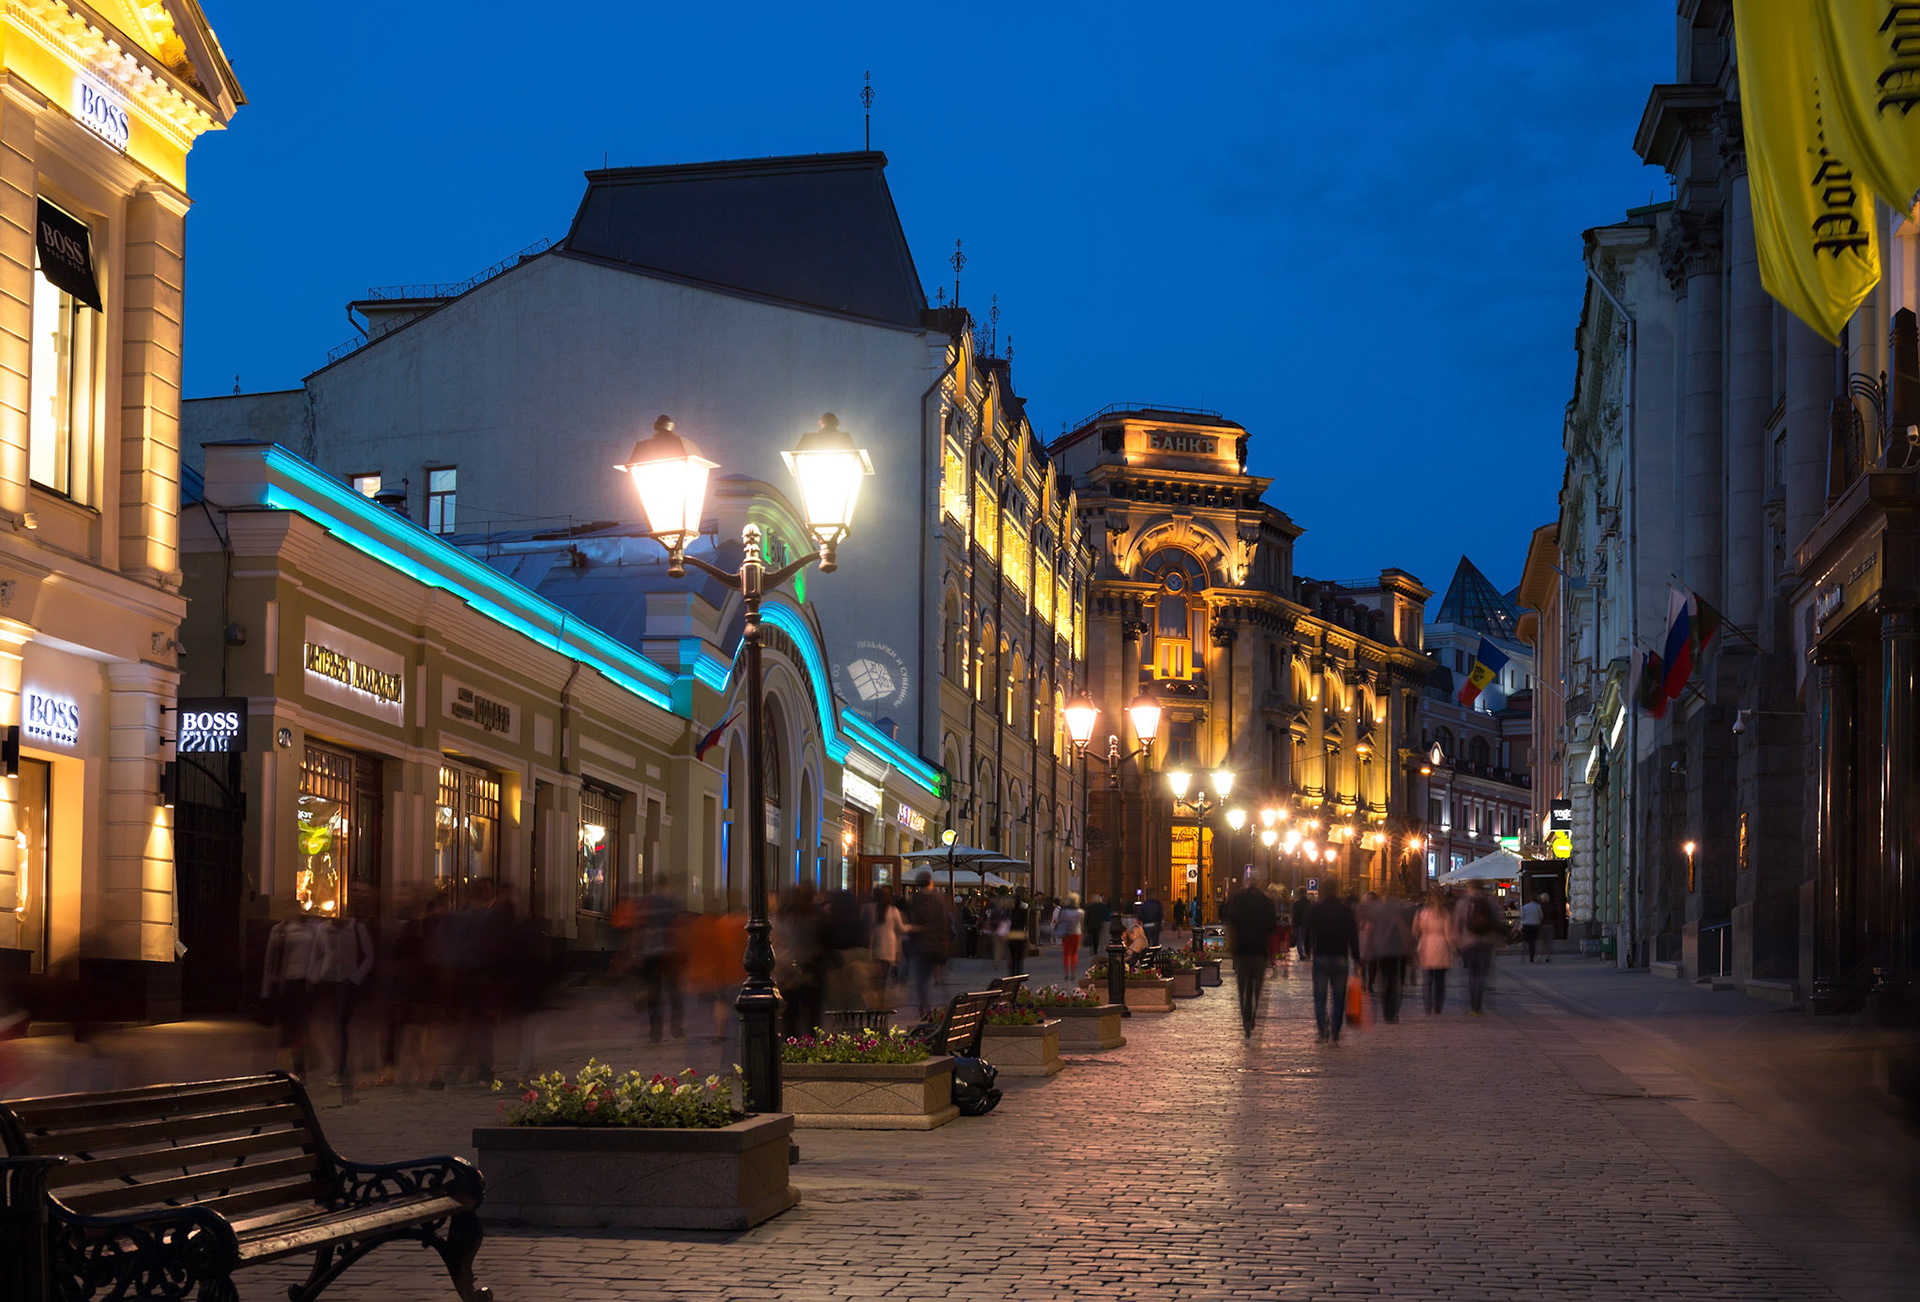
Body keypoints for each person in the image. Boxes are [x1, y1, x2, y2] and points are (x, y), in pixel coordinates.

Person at [311, 908, 376, 1088]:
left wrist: (355, 978)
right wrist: (314, 978)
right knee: (327, 1026)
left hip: (345, 982)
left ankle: (340, 1068)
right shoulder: (323, 929)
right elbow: (316, 955)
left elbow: (369, 956)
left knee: (340, 1024)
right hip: (327, 980)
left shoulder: (356, 928)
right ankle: (336, 1064)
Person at [1300, 876, 1362, 1043]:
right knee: (1338, 997)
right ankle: (1335, 1030)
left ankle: (1322, 1031)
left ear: (1323, 889)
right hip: (1340, 957)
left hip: (1320, 957)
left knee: (1320, 997)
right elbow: (1353, 935)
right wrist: (1356, 958)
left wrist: (1307, 949)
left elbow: (1306, 930)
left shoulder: (1316, 909)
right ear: (1337, 890)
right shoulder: (1345, 910)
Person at [261, 909, 322, 1078]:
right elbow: (270, 961)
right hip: (284, 984)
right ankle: (287, 1072)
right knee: (288, 1031)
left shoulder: (310, 929)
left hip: (300, 984)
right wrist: (266, 991)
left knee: (296, 1030)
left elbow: (316, 957)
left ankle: (297, 1071)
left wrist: (312, 981)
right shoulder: (279, 930)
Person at [1222, 878, 1278, 1037]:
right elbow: (1272, 927)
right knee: (1256, 988)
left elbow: (1228, 919)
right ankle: (1253, 1012)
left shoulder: (1237, 900)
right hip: (1260, 951)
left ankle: (1245, 1017)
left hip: (1242, 951)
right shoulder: (1267, 902)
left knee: (1242, 987)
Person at [904, 871, 951, 1018]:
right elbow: (945, 922)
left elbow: (909, 921)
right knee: (940, 978)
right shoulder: (939, 899)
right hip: (936, 943)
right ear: (930, 882)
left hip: (919, 944)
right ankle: (946, 1007)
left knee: (921, 979)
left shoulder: (913, 900)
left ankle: (924, 1005)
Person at [1454, 883, 1504, 1015]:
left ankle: (1473, 1005)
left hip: (1468, 943)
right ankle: (1480, 1002)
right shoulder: (1490, 901)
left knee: (1472, 973)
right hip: (1486, 942)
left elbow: (1456, 923)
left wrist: (1457, 942)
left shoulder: (1462, 903)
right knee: (1482, 973)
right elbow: (1499, 920)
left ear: (1470, 888)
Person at [1362, 893, 1412, 1023]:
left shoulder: (1374, 910)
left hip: (1381, 949)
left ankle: (1386, 1010)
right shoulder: (1398, 908)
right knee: (1394, 981)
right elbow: (1402, 927)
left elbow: (1369, 929)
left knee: (1383, 980)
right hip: (1395, 949)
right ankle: (1393, 1012)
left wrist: (1369, 946)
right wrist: (1408, 945)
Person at [1415, 889, 1456, 1014]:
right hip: (1442, 947)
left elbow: (1415, 930)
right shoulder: (1445, 915)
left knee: (1427, 981)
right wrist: (1454, 948)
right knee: (1440, 980)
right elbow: (1449, 934)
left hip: (1426, 945)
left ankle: (1428, 1007)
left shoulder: (1423, 913)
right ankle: (1438, 1007)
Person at [868, 885, 909, 1008]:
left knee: (877, 978)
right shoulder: (893, 911)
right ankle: (880, 1001)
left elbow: (871, 931)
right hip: (889, 948)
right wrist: (913, 927)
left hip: (877, 948)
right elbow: (901, 928)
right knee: (883, 978)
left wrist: (870, 948)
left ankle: (877, 1001)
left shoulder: (874, 910)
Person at [1055, 894, 1084, 979]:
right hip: (1076, 933)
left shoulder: (1064, 911)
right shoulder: (1080, 912)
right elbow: (1081, 924)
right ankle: (1073, 972)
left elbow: (1060, 921)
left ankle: (1066, 972)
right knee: (1074, 953)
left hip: (1066, 933)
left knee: (1066, 953)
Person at [1007, 890, 1030, 975]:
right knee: (1019, 957)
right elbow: (1025, 925)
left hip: (1012, 935)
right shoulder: (1023, 911)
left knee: (1013, 956)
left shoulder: (1011, 912)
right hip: (1020, 935)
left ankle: (1013, 972)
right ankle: (1019, 972)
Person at [1519, 892, 1546, 963]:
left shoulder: (1525, 906)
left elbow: (1522, 917)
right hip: (1535, 925)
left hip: (1526, 925)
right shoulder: (1538, 906)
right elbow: (1541, 916)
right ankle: (1532, 957)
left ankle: (1523, 956)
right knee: (1532, 942)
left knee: (1525, 941)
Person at [1290, 891, 1313, 959]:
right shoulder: (1308, 903)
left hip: (1298, 923)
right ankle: (1307, 952)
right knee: (1308, 938)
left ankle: (1301, 954)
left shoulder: (1296, 903)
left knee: (1299, 939)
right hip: (1307, 923)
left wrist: (1293, 923)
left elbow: (1293, 913)